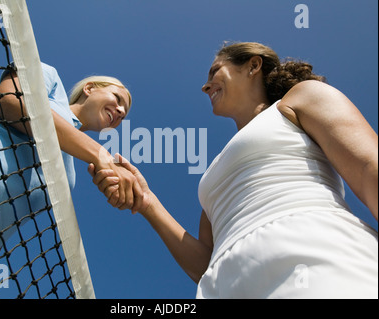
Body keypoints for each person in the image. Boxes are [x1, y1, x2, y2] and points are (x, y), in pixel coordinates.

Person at [89, 42, 378, 298]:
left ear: (253, 65)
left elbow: (369, 169)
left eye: (215, 71)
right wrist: (148, 202)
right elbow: (205, 263)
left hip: (318, 258)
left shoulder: (301, 98)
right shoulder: (215, 172)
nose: (205, 85)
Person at [0, 62, 143, 298]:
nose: (122, 111)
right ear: (90, 88)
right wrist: (101, 155)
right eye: (118, 98)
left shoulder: (68, 177)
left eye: (125, 113)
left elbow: (11, 224)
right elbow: (10, 101)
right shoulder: (51, 80)